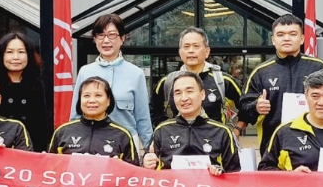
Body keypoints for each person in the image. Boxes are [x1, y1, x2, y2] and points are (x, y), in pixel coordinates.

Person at [239, 14, 323, 150]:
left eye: (293, 34)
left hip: (314, 145)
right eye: (280, 34)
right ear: (273, 40)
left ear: (302, 39)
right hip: (273, 147)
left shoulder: (318, 67)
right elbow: (243, 110)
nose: (286, 38)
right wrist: (256, 107)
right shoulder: (261, 72)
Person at [70, 14, 153, 149]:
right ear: (95, 39)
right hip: (90, 142)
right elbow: (75, 114)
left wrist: (149, 148)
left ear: (122, 38)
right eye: (100, 35)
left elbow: (142, 118)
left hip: (126, 144)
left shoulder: (136, 73)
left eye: (112, 35)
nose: (106, 40)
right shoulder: (85, 72)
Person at [145, 71, 239, 174]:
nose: (184, 98)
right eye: (178, 93)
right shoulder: (161, 131)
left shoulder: (222, 132)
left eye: (189, 91)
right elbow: (148, 171)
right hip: (172, 184)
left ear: (202, 94)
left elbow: (234, 174)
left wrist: (219, 172)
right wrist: (146, 163)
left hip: (208, 185)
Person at [150, 27, 241, 128]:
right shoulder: (168, 82)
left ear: (207, 51)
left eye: (196, 46)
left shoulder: (222, 80)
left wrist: (238, 129)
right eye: (186, 46)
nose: (191, 51)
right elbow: (153, 110)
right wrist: (166, 131)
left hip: (215, 137)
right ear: (180, 53)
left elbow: (246, 105)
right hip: (178, 137)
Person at [48, 76, 140, 164]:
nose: (92, 100)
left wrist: (119, 166)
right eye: (86, 95)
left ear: (108, 100)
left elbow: (133, 171)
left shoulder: (122, 135)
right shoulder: (62, 132)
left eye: (98, 95)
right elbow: (50, 166)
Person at [0, 32, 48, 151]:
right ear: (1, 55)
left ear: (29, 55)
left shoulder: (37, 84)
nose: (16, 57)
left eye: (21, 52)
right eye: (9, 52)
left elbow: (41, 124)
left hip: (29, 148)